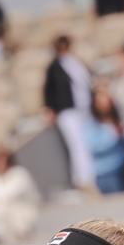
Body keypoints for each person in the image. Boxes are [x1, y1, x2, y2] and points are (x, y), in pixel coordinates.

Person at [44, 35, 96, 190]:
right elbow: (49, 91)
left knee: (87, 143)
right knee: (77, 145)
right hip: (67, 111)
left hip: (84, 110)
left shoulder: (77, 63)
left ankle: (91, 176)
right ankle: (82, 179)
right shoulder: (54, 67)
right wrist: (50, 109)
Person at [0, 147, 40, 244]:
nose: (1, 164)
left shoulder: (20, 174)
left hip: (20, 222)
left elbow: (32, 197)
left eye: (3, 161)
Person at [84, 86, 124, 194]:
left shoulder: (118, 121)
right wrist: (114, 135)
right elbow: (93, 146)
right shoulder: (90, 126)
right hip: (106, 174)